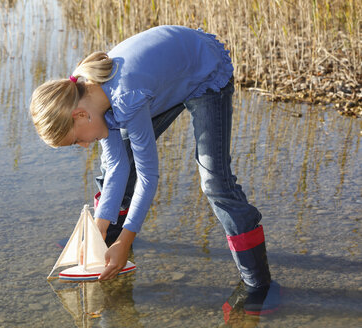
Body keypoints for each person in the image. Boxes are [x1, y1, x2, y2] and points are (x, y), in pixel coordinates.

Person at [30, 25, 279, 314]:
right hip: (163, 82)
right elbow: (116, 170)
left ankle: (259, 283)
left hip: (204, 71)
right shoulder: (92, 99)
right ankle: (107, 238)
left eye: (77, 140)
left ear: (80, 115)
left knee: (215, 182)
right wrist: (99, 228)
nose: (84, 146)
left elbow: (149, 177)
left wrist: (127, 240)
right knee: (119, 156)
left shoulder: (125, 98)